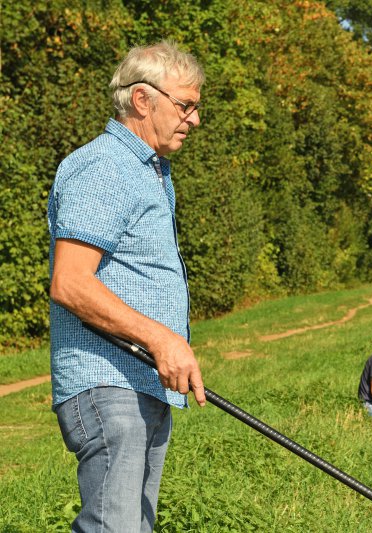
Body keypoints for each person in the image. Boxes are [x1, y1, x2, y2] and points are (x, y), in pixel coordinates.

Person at [47, 41, 207, 532]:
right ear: (143, 100)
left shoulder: (149, 172)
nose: (195, 119)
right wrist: (161, 338)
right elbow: (70, 283)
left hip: (141, 385)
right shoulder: (105, 168)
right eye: (186, 105)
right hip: (108, 385)